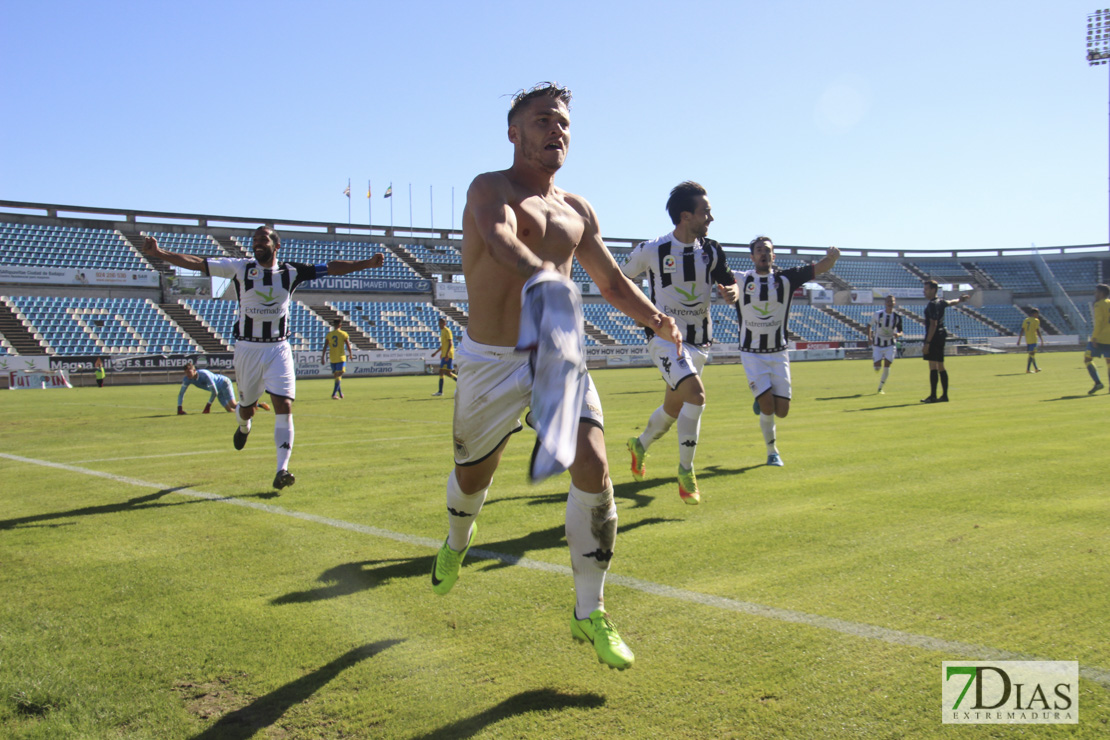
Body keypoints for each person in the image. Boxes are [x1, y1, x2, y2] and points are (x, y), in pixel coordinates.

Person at [429, 83, 681, 671]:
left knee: (593, 463)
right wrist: (543, 273)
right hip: (489, 362)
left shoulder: (579, 209)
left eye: (563, 122)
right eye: (542, 120)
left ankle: (588, 612)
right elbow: (499, 241)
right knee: (473, 475)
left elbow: (614, 282)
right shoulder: (489, 188)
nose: (556, 130)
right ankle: (456, 543)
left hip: (556, 356)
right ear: (514, 132)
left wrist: (657, 320)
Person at [143, 227, 384, 490]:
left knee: (284, 405)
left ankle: (282, 469)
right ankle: (244, 426)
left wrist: (367, 264)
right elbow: (198, 263)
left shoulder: (291, 272)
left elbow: (332, 267)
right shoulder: (240, 268)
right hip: (248, 349)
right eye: (255, 240)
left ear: (276, 245)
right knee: (246, 407)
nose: (257, 243)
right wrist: (159, 253)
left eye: (263, 239)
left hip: (278, 349)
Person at [620, 181, 738, 504]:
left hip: (700, 342)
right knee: (696, 397)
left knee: (673, 409)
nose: (711, 218)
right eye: (706, 212)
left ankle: (639, 445)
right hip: (665, 339)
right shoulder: (652, 250)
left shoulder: (712, 250)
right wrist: (640, 313)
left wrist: (732, 292)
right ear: (686, 216)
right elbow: (619, 279)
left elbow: (730, 283)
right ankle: (686, 472)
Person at [734, 236, 840, 466]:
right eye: (759, 250)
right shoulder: (740, 279)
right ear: (752, 257)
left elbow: (820, 268)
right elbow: (712, 275)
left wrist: (832, 258)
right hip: (751, 352)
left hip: (778, 352)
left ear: (774, 256)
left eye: (768, 250)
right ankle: (772, 451)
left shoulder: (787, 278)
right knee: (768, 407)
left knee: (782, 411)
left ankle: (763, 398)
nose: (763, 254)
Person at [920, 280, 970, 403]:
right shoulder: (941, 301)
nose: (924, 291)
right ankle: (944, 395)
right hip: (941, 335)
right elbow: (951, 302)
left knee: (933, 366)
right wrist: (960, 300)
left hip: (934, 336)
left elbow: (933, 324)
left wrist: (927, 343)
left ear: (933, 290)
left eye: (926, 289)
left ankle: (933, 396)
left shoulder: (932, 304)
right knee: (941, 365)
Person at [177, 361, 270, 414]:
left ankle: (257, 404)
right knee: (229, 410)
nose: (188, 375)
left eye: (189, 372)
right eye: (186, 373)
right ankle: (254, 405)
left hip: (224, 383)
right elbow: (181, 393)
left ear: (194, 370)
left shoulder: (205, 375)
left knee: (233, 405)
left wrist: (207, 406)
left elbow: (214, 391)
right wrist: (179, 408)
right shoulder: (187, 379)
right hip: (217, 390)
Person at [867, 295, 903, 394]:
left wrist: (898, 334)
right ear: (885, 303)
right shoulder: (878, 314)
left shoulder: (897, 317)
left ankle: (880, 387)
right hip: (878, 344)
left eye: (892, 301)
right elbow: (869, 325)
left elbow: (901, 331)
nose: (890, 303)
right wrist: (869, 337)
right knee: (877, 367)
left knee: (887, 364)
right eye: (888, 301)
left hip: (890, 344)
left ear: (894, 303)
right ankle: (877, 363)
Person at [1085, 283, 1110, 394]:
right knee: (1109, 363)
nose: (1095, 294)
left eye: (1096, 292)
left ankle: (1098, 382)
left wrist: (1094, 337)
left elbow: (1099, 322)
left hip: (1100, 338)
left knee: (1087, 359)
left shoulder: (1099, 305)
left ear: (1102, 293)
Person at [322, 318, 352, 399]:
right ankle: (334, 394)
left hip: (332, 358)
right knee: (339, 375)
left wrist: (322, 357)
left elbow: (325, 346)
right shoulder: (343, 334)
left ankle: (340, 393)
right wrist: (350, 354)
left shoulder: (329, 335)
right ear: (340, 325)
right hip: (341, 357)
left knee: (337, 377)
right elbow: (348, 345)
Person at [429, 317, 458, 396]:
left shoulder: (447, 331)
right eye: (439, 324)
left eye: (441, 323)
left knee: (441, 371)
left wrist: (447, 354)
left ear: (445, 324)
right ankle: (460, 381)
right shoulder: (442, 332)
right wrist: (436, 353)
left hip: (448, 355)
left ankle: (440, 391)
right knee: (448, 373)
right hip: (445, 354)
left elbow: (450, 343)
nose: (440, 325)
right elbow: (443, 345)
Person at [1017, 308, 1045, 374]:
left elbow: (1022, 330)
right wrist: (1041, 339)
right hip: (1033, 339)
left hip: (1028, 340)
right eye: (1037, 313)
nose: (1038, 315)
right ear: (1034, 313)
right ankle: (1034, 368)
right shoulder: (1036, 320)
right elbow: (1037, 330)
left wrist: (1019, 340)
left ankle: (1031, 369)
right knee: (1032, 354)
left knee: (1031, 354)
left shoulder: (1026, 320)